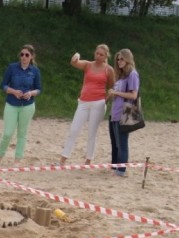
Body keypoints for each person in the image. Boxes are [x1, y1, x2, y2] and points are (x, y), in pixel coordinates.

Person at [59, 44, 114, 167]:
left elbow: (112, 87)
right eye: (97, 53)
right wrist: (76, 55)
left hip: (98, 102)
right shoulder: (88, 65)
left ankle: (89, 159)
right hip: (84, 101)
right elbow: (74, 62)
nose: (98, 56)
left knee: (92, 132)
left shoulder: (108, 69)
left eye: (101, 54)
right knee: (74, 129)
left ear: (105, 56)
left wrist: (105, 100)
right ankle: (64, 157)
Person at [0, 44, 42, 164]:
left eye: (27, 55)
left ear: (31, 56)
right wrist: (13, 91)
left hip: (27, 106)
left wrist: (31, 93)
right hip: (11, 103)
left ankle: (17, 160)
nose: (24, 57)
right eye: (22, 54)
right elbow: (3, 85)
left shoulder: (35, 71)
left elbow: (39, 89)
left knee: (22, 134)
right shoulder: (12, 68)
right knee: (7, 133)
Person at [106, 49, 140, 177]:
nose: (119, 61)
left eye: (122, 59)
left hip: (124, 113)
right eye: (118, 59)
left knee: (122, 143)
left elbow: (133, 94)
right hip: (114, 113)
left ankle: (121, 170)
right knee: (115, 142)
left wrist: (116, 93)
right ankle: (115, 166)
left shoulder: (132, 74)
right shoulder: (120, 75)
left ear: (128, 59)